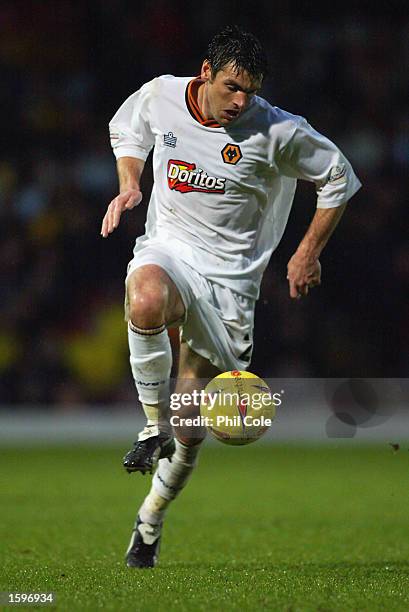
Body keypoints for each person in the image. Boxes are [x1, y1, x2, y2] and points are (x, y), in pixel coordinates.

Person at [101, 25, 361, 568]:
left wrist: (308, 252)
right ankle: (152, 426)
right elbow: (130, 131)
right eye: (231, 88)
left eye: (250, 91)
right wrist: (130, 182)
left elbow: (338, 177)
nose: (240, 102)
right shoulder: (162, 95)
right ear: (205, 74)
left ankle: (150, 519)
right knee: (145, 298)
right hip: (170, 247)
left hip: (232, 281)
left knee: (192, 421)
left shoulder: (279, 131)